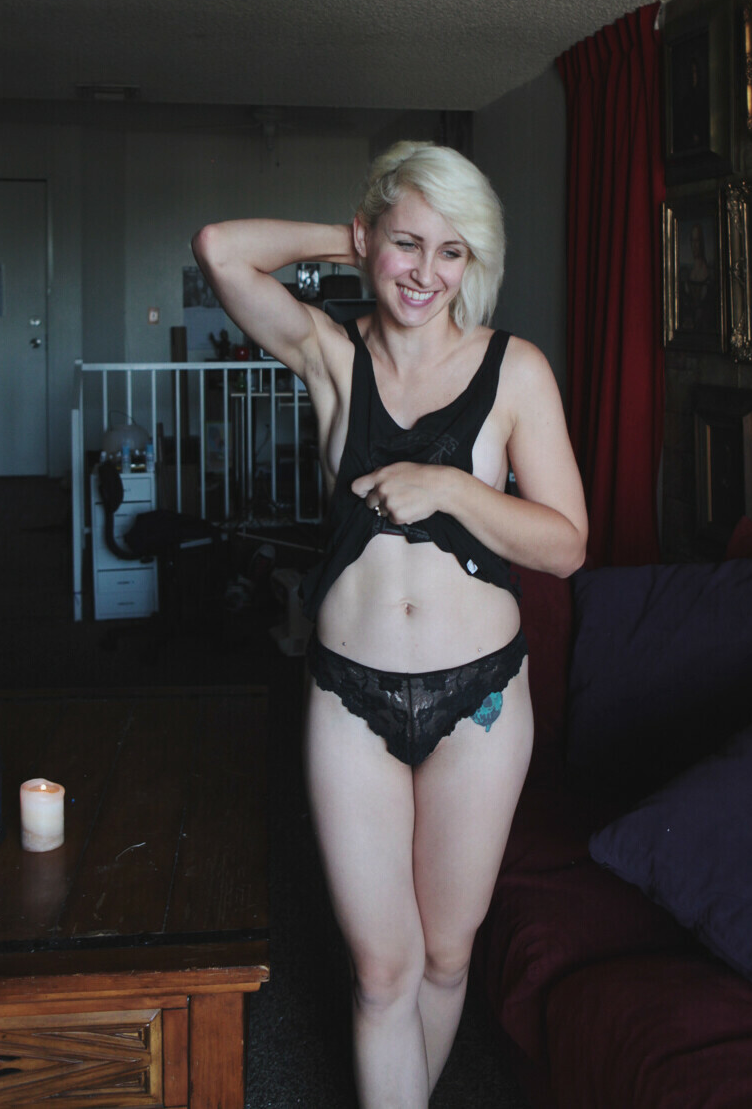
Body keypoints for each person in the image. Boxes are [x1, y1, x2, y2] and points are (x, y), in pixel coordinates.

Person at [193, 142, 587, 1109]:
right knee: (380, 972)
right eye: (406, 244)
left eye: (451, 251)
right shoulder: (331, 353)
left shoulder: (515, 370)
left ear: (474, 260)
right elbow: (220, 249)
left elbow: (566, 545)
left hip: (478, 702)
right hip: (349, 699)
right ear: (372, 239)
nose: (425, 273)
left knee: (446, 958)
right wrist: (352, 239)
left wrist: (448, 488)